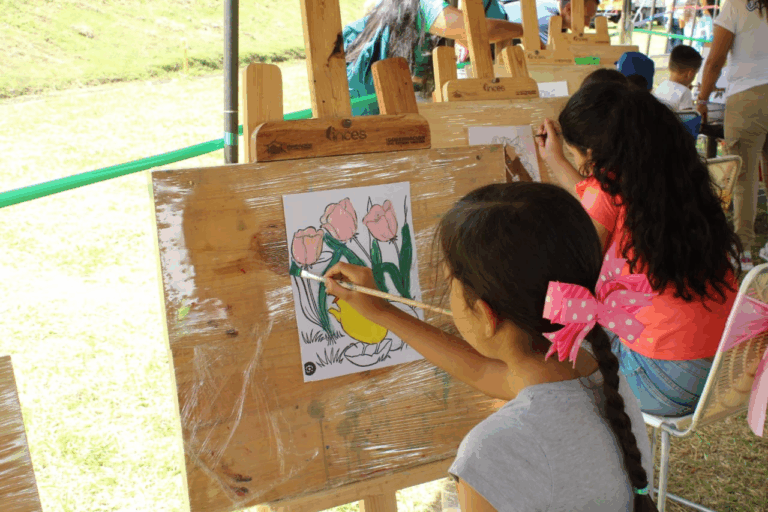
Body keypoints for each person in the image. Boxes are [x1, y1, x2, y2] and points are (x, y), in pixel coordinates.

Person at [323, 182, 656, 511]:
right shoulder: (593, 370)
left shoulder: (496, 453)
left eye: (451, 280)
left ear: (485, 313)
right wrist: (380, 311)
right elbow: (484, 372)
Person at [537, 81, 740, 417]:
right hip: (725, 369)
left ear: (592, 153)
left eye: (575, 154)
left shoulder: (611, 190)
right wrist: (557, 160)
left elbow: (576, 266)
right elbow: (598, 204)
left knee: (558, 322)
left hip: (664, 379)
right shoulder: (671, 179)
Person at [343, 0, 521, 115]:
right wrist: (524, 30)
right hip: (373, 106)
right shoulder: (425, 4)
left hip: (375, 102)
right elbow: (477, 30)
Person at [697, 0, 768, 270]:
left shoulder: (735, 5)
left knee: (744, 177)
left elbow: (715, 60)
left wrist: (702, 99)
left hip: (746, 99)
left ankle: (744, 249)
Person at [502, 0, 600, 45]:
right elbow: (559, 58)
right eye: (585, 17)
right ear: (569, 9)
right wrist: (595, 60)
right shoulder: (547, 20)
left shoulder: (549, 6)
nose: (587, 24)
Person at [655, 45, 703, 110]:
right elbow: (687, 118)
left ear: (669, 66)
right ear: (690, 74)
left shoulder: (662, 85)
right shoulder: (685, 92)